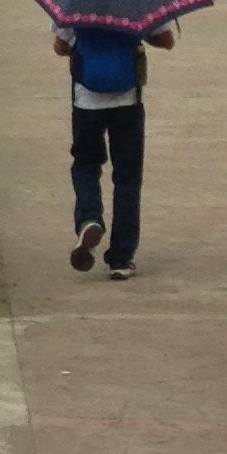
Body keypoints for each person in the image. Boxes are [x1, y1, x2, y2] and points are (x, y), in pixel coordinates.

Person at [56, 17, 176, 279]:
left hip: (86, 100)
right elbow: (167, 41)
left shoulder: (76, 0)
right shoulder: (138, 0)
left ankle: (90, 218)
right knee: (127, 176)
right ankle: (121, 258)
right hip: (127, 101)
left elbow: (59, 46)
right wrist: (138, 33)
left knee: (86, 165)